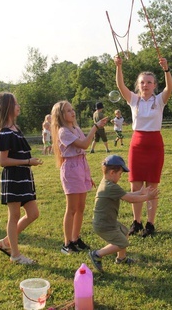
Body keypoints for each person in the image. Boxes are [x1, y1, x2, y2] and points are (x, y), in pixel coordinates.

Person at [114, 54, 172, 237]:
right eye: (142, 82)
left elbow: (170, 86)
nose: (145, 85)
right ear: (138, 85)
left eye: (149, 82)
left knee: (152, 186)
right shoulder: (134, 100)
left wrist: (166, 69)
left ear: (154, 85)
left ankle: (150, 224)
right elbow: (120, 86)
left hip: (155, 145)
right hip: (137, 146)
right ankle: (136, 222)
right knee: (136, 186)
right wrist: (119, 66)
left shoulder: (159, 100)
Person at [0, 92, 43, 265]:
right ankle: (15, 254)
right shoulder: (4, 133)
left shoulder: (16, 129)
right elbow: (2, 161)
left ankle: (6, 242)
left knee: (33, 213)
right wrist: (28, 161)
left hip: (24, 176)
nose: (19, 106)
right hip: (13, 178)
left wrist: (28, 163)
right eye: (15, 104)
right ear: (6, 108)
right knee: (14, 215)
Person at [50, 100, 108, 254]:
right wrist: (95, 127)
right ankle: (67, 243)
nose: (72, 112)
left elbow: (83, 147)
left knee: (81, 207)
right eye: (68, 111)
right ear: (60, 115)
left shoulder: (75, 128)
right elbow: (84, 145)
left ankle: (76, 238)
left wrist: (87, 176)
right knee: (72, 208)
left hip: (81, 167)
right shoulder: (63, 131)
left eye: (72, 109)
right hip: (71, 169)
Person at [89, 155, 159, 272]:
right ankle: (97, 254)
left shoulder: (107, 183)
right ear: (112, 172)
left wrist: (140, 192)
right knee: (122, 243)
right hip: (103, 225)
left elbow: (126, 194)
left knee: (124, 231)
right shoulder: (110, 186)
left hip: (108, 221)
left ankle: (121, 258)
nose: (120, 177)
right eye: (120, 174)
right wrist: (147, 197)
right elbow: (130, 199)